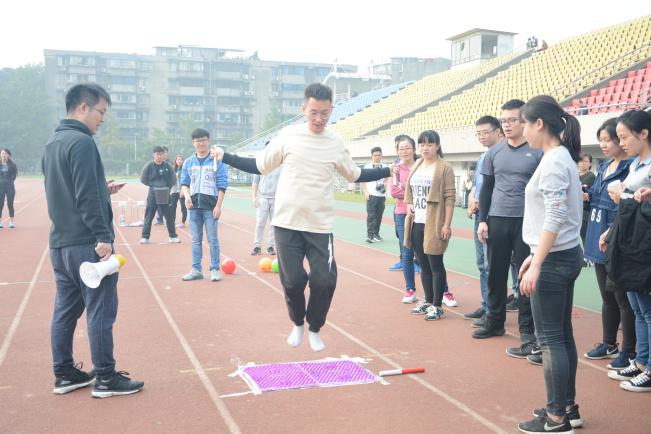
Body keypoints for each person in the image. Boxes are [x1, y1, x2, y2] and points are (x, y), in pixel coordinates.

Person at [214, 83, 390, 352]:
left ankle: (315, 327)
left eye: (324, 113)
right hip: (286, 223)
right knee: (294, 281)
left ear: (331, 110)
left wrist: (387, 170)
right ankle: (298, 323)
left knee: (325, 280)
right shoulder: (288, 136)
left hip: (320, 225)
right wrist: (226, 156)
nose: (319, 119)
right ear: (303, 109)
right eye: (313, 113)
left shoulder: (334, 142)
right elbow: (259, 166)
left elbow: (354, 174)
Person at [42, 83, 143, 398]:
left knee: (65, 311)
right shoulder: (82, 143)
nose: (103, 119)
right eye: (101, 112)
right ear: (83, 107)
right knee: (101, 309)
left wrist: (102, 189)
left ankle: (64, 374)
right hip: (87, 244)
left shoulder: (53, 143)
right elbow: (85, 196)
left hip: (61, 245)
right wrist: (102, 236)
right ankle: (105, 378)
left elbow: (71, 190)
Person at [517, 95, 584, 434]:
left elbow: (556, 215)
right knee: (562, 337)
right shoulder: (560, 158)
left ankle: (556, 416)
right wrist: (534, 253)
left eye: (525, 124)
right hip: (562, 254)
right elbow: (554, 214)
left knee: (550, 339)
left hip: (556, 259)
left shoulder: (555, 161)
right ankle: (567, 407)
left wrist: (538, 262)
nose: (523, 130)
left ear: (538, 124)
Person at [474, 99, 543, 365]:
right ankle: (495, 321)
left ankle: (527, 332)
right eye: (504, 121)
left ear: (524, 121)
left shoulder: (536, 152)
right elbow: (486, 189)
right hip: (497, 219)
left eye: (513, 120)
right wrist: (483, 220)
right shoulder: (493, 154)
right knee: (495, 272)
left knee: (523, 275)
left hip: (527, 222)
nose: (508, 124)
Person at [583, 119, 636, 370]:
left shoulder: (631, 168)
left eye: (608, 139)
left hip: (615, 237)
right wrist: (585, 194)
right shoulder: (603, 167)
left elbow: (624, 206)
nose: (603, 144)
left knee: (623, 298)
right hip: (596, 236)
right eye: (601, 140)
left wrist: (611, 232)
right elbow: (595, 197)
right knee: (607, 296)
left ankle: (629, 350)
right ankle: (609, 342)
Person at [605, 109, 651, 393]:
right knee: (635, 305)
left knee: (647, 309)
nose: (622, 143)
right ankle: (642, 360)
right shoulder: (636, 165)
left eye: (624, 137)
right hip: (630, 239)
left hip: (645, 243)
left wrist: (626, 194)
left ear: (643, 133)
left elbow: (637, 200)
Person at [404, 130, 456, 321]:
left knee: (435, 264)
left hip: (434, 222)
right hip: (417, 221)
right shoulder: (417, 164)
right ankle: (427, 301)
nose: (425, 148)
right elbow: (409, 190)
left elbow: (450, 197)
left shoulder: (444, 167)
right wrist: (409, 203)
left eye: (429, 144)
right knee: (423, 264)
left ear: (437, 146)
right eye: (422, 144)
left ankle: (437, 305)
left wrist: (446, 224)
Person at [464, 116, 502, 320]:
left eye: (485, 132)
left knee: (492, 264)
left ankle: (495, 310)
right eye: (478, 133)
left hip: (493, 215)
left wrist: (483, 204)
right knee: (481, 263)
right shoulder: (482, 157)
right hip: (479, 214)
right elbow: (477, 186)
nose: (481, 136)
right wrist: (472, 200)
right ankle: (486, 305)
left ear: (498, 132)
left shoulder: (502, 155)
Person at [180, 128, 228, 282]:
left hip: (210, 207)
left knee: (213, 239)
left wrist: (218, 206)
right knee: (195, 239)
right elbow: (184, 183)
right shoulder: (188, 162)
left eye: (203, 139)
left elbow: (222, 184)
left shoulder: (216, 161)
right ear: (193, 143)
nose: (200, 143)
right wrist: (187, 197)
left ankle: (215, 269)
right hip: (193, 208)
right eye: (197, 140)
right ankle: (196, 270)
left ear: (208, 140)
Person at [390, 135, 418, 303]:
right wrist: (413, 191)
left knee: (427, 253)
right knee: (406, 253)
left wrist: (405, 189)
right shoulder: (396, 169)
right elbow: (394, 192)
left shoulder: (422, 166)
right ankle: (410, 290)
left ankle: (442, 291)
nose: (405, 151)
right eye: (401, 148)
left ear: (414, 149)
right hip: (402, 214)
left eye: (407, 147)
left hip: (423, 213)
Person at [139, 146, 181, 244]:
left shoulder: (167, 166)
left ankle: (173, 236)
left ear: (164, 155)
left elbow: (173, 179)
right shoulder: (149, 166)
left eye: (161, 154)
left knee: (169, 216)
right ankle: (145, 237)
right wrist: (153, 185)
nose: (159, 156)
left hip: (165, 194)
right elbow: (143, 179)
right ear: (154, 155)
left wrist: (166, 187)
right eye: (157, 154)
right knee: (149, 216)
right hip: (153, 194)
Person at [251, 141, 281, 256]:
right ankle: (257, 246)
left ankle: (270, 246)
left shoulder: (282, 166)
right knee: (260, 223)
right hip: (262, 197)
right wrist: (254, 197)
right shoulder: (260, 165)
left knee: (274, 224)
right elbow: (255, 182)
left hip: (276, 198)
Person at [361, 146, 388, 243]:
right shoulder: (367, 167)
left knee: (379, 216)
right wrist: (365, 192)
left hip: (381, 196)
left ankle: (376, 234)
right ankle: (370, 235)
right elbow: (362, 181)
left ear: (381, 156)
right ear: (371, 156)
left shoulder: (385, 167)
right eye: (375, 155)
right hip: (371, 195)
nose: (377, 157)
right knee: (371, 216)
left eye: (379, 155)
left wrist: (385, 187)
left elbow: (387, 179)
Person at [578, 153, 596, 246]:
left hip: (585, 212)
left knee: (584, 238)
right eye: (581, 161)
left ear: (590, 164)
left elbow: (578, 189)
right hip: (575, 211)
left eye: (586, 161)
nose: (582, 163)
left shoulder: (590, 176)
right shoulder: (575, 174)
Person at [0, 148, 17, 228]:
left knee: (10, 203)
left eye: (6, 153)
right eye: (2, 153)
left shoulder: (12, 165)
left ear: (8, 155)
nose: (4, 155)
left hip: (10, 186)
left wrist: (9, 181)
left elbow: (14, 175)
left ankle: (12, 222)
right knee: (0, 204)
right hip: (0, 187)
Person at [154, 146, 171, 225]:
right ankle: (160, 219)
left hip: (167, 187)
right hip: (158, 187)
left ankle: (169, 219)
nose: (162, 155)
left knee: (166, 203)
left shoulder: (169, 163)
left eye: (164, 153)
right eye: (160, 153)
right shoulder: (156, 163)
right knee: (158, 204)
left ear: (167, 154)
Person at [170, 154, 187, 228]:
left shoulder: (185, 169)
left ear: (183, 161)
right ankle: (172, 221)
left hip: (182, 191)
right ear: (175, 161)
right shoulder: (173, 169)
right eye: (178, 159)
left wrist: (183, 190)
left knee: (183, 207)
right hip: (174, 191)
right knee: (172, 206)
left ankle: (183, 222)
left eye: (181, 159)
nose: (179, 161)